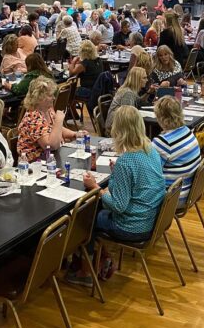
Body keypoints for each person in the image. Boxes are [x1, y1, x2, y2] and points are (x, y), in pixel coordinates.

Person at [69, 105, 165, 287]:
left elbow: (118, 206)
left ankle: (86, 271)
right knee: (96, 211)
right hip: (149, 218)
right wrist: (114, 178)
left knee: (85, 220)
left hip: (131, 226)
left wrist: (96, 187)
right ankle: (102, 258)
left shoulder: (126, 161)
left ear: (118, 130)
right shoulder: (150, 149)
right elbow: (136, 185)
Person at [152, 96, 201, 206]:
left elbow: (147, 174)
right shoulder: (187, 131)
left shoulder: (163, 142)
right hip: (189, 191)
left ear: (162, 118)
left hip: (172, 199)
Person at [17, 77, 77, 162]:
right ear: (39, 97)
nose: (53, 98)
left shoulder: (47, 110)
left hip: (50, 159)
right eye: (50, 95)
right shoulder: (33, 117)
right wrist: (59, 120)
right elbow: (51, 145)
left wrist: (75, 134)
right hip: (34, 165)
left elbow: (56, 129)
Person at [105, 66, 148, 134]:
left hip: (117, 125)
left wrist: (148, 92)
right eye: (144, 78)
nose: (147, 80)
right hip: (115, 129)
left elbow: (139, 101)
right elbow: (127, 118)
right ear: (137, 79)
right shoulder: (128, 93)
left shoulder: (130, 89)